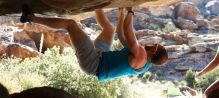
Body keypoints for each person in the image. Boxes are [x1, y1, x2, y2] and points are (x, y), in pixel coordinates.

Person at [20, 5, 168, 81]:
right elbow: (122, 37)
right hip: (101, 55)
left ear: (154, 50)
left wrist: (130, 12)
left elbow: (129, 33)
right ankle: (95, 5)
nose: (152, 43)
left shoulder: (141, 56)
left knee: (71, 24)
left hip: (93, 63)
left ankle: (30, 18)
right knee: (109, 29)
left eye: (154, 45)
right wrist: (122, 13)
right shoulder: (144, 61)